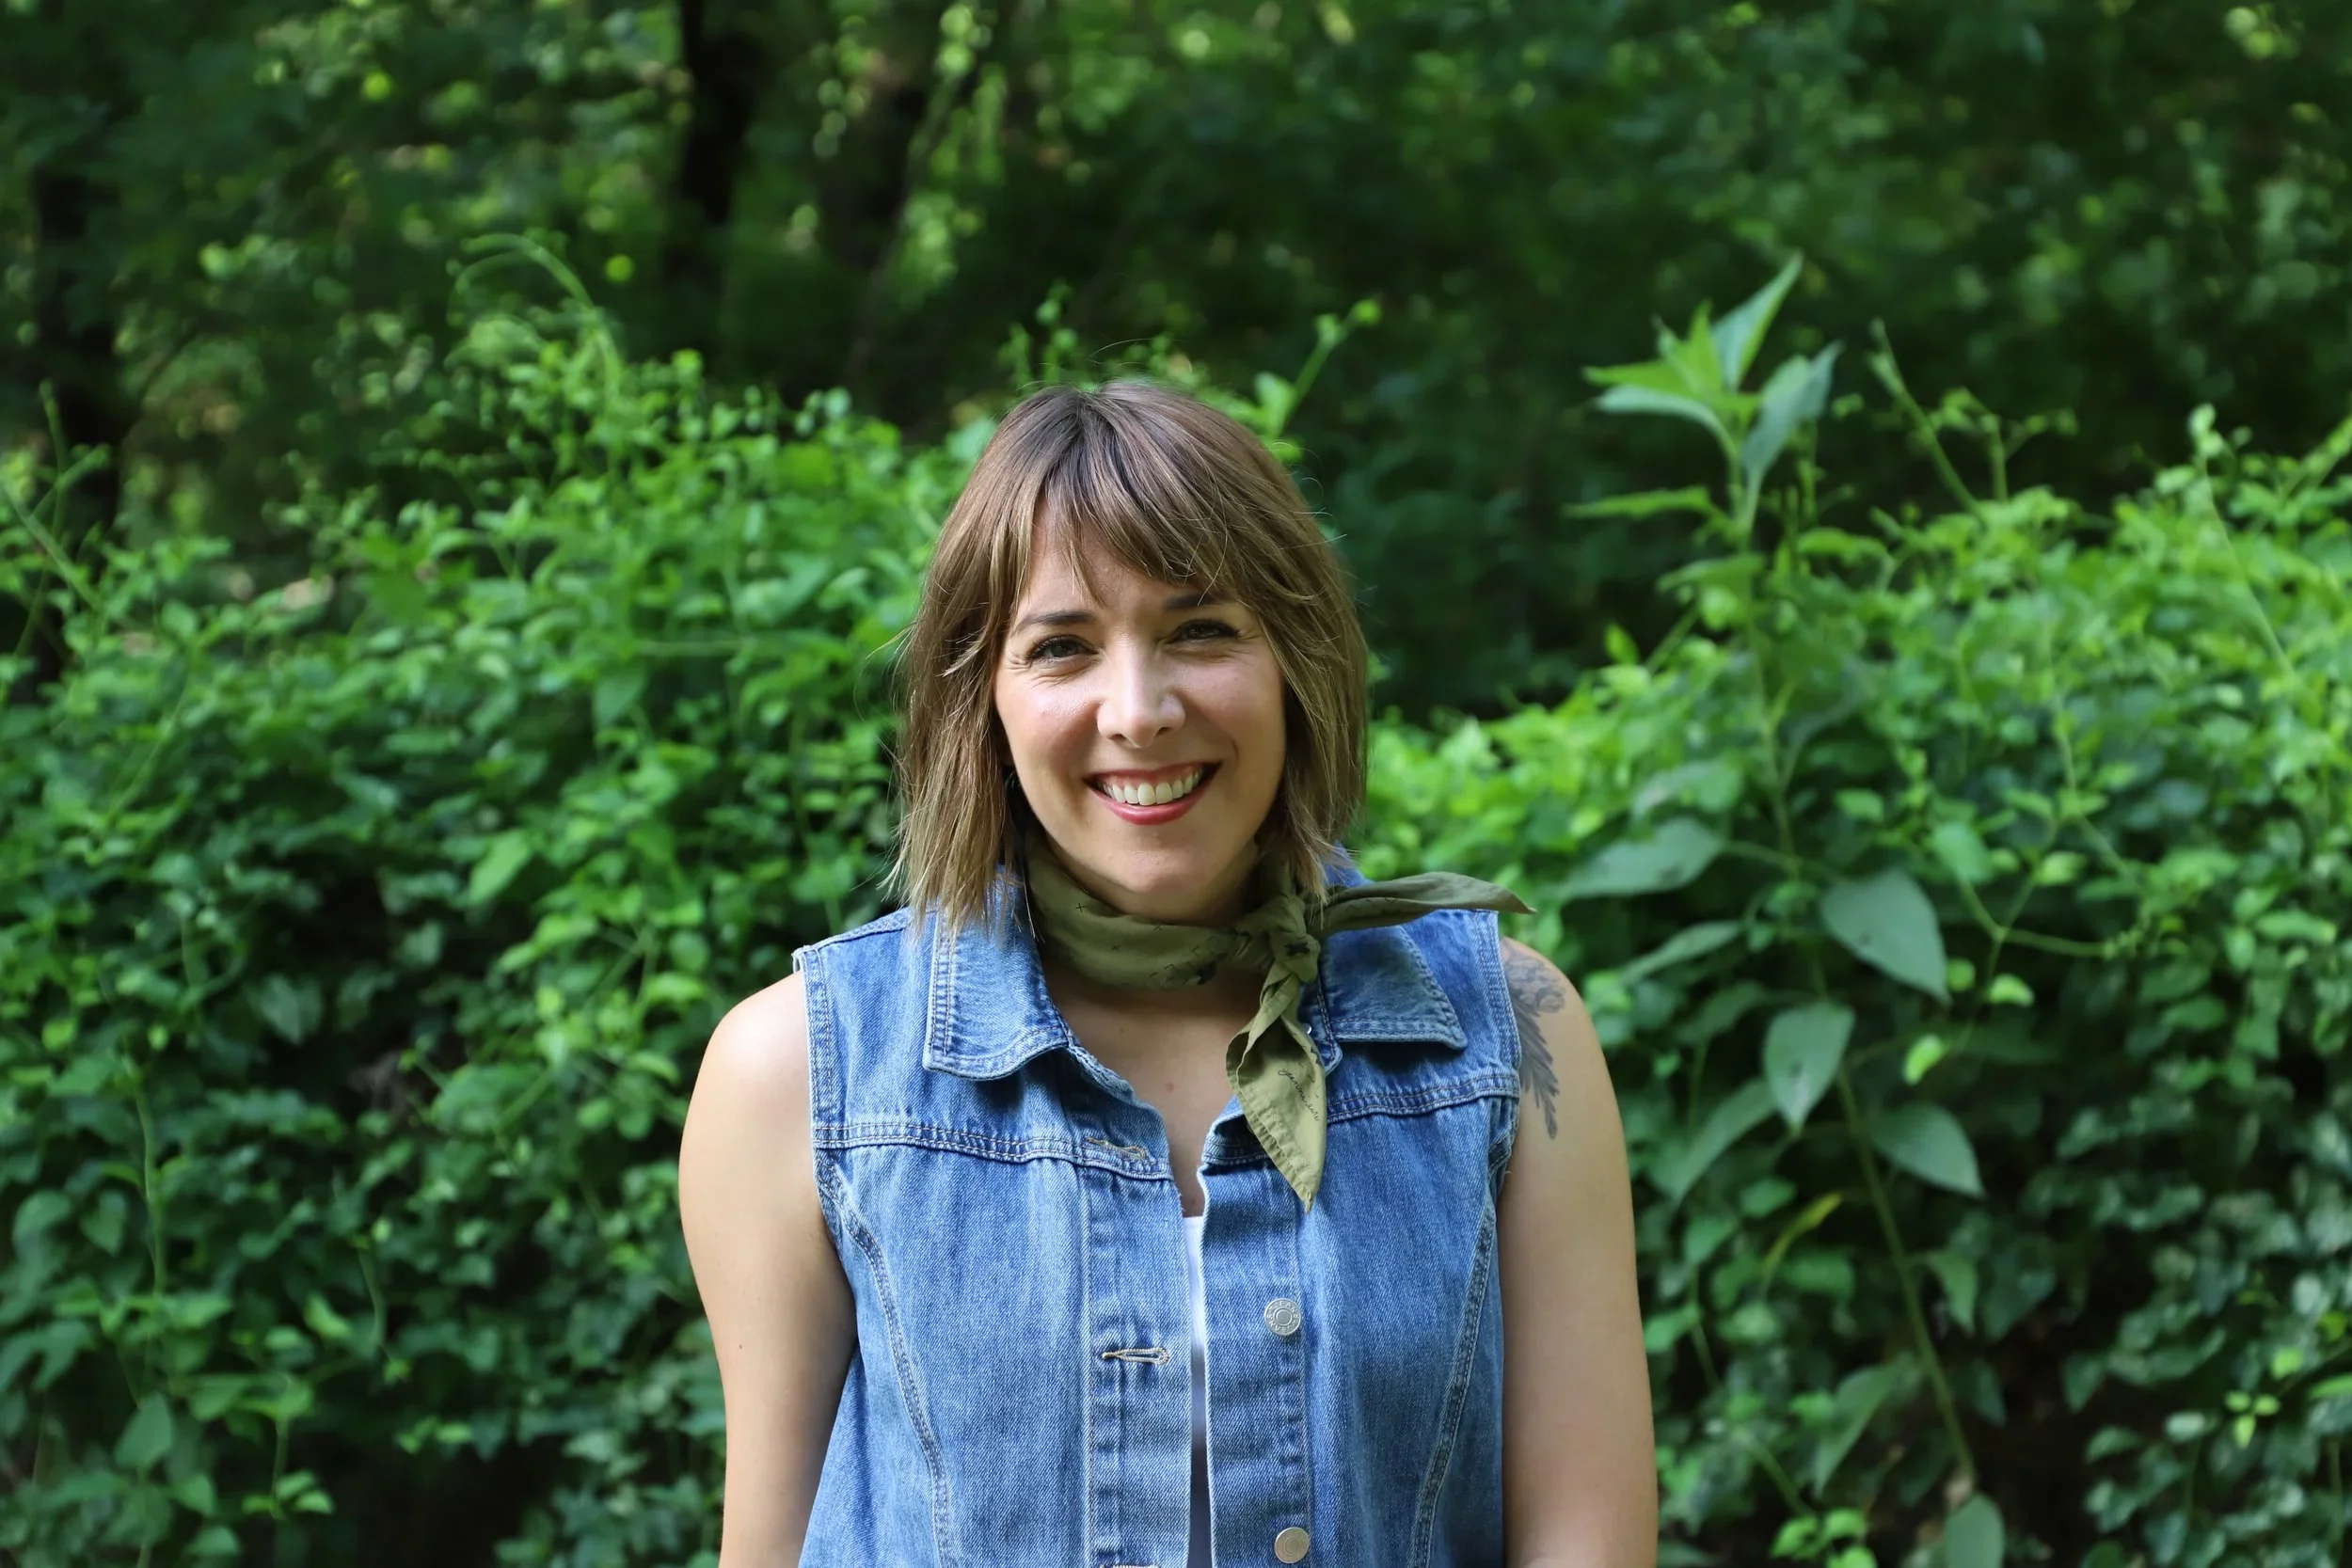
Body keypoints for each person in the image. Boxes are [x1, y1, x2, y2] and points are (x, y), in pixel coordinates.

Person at [677, 379, 1656, 1567]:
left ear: (1296, 661)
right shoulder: (799, 1072)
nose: (1137, 711)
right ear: (980, 699)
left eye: (1201, 629)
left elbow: (1586, 1541)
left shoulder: (1502, 1029)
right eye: (1062, 648)